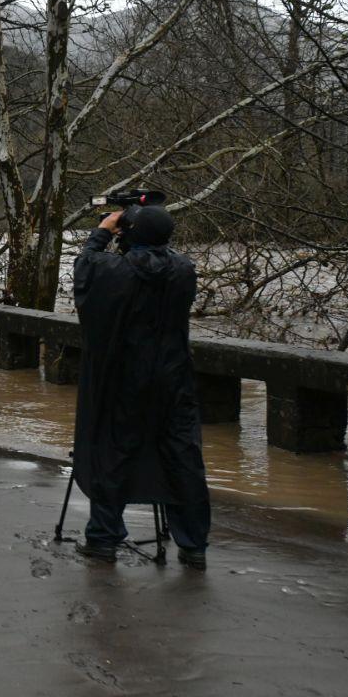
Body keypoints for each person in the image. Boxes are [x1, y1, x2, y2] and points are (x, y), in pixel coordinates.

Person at [71, 205, 211, 570]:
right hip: (174, 379)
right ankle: (193, 544)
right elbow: (158, 261)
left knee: (113, 451)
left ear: (128, 233)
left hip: (124, 379)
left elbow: (85, 267)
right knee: (183, 457)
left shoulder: (114, 272)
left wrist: (104, 230)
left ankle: (103, 537)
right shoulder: (184, 271)